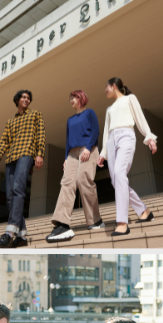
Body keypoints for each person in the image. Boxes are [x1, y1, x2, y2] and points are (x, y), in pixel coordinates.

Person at [96, 78, 157, 237]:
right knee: (117, 181)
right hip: (111, 141)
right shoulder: (109, 108)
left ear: (114, 86)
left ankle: (122, 223)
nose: (105, 90)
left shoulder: (130, 98)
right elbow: (106, 131)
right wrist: (103, 153)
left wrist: (149, 137)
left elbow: (140, 119)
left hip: (126, 136)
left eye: (106, 87)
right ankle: (143, 211)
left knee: (119, 174)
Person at [45, 90, 104, 242]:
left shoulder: (89, 113)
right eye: (70, 98)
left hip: (88, 148)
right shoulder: (70, 120)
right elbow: (67, 141)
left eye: (73, 97)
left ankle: (95, 220)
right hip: (72, 153)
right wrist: (66, 158)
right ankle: (62, 224)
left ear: (81, 98)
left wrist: (87, 148)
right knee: (67, 182)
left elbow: (95, 131)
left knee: (84, 181)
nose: (70, 100)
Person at [0, 89, 46, 248]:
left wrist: (40, 154)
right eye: (23, 97)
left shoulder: (35, 114)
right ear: (17, 100)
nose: (26, 100)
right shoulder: (11, 121)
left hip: (26, 154)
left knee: (18, 189)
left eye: (28, 98)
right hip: (11, 158)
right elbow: (4, 141)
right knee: (9, 197)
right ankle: (22, 236)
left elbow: (41, 134)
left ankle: (10, 232)